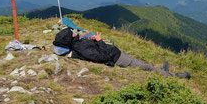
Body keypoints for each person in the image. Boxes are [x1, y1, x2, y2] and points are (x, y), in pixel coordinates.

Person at [53, 28, 190, 79]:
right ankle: (175, 76)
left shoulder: (79, 44)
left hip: (117, 55)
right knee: (145, 68)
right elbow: (102, 57)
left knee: (142, 64)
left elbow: (92, 51)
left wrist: (92, 39)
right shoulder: (81, 48)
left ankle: (161, 70)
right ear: (70, 39)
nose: (75, 32)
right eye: (72, 33)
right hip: (117, 58)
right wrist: (100, 41)